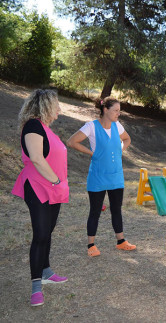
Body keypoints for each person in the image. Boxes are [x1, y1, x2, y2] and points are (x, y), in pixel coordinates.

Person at [12, 89, 69, 307]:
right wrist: (56, 181)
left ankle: (46, 271)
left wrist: (58, 183)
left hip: (53, 187)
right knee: (40, 234)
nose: (59, 110)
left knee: (48, 232)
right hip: (38, 187)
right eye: (56, 105)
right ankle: (36, 287)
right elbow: (36, 158)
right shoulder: (33, 125)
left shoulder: (46, 129)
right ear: (45, 106)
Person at [66, 96, 136, 257]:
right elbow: (71, 142)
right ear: (105, 110)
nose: (119, 114)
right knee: (95, 211)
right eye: (116, 110)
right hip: (97, 177)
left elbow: (127, 139)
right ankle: (91, 245)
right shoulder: (91, 126)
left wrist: (121, 149)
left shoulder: (117, 126)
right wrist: (91, 152)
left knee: (116, 209)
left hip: (116, 176)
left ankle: (121, 241)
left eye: (119, 110)